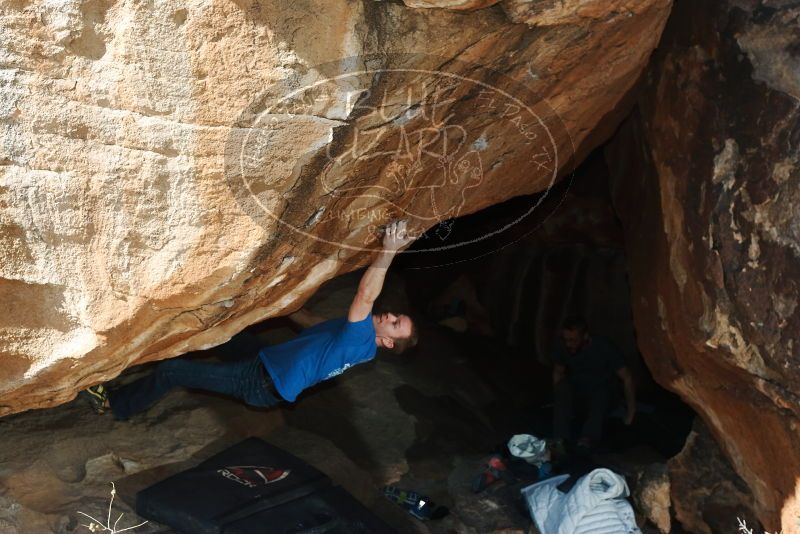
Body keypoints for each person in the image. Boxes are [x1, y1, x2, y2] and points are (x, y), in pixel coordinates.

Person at [83, 220, 419, 419]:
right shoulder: (356, 339)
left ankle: (115, 405)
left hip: (259, 383)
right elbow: (316, 326)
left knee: (173, 372)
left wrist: (388, 250)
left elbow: (365, 295)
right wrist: (284, 306)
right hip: (265, 361)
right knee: (225, 333)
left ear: (387, 341)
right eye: (396, 315)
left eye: (394, 323)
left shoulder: (360, 341)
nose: (389, 315)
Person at [551, 317, 635, 448]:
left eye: (573, 340)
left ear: (585, 336)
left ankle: (588, 439)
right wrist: (560, 399)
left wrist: (631, 411)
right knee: (563, 386)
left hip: (603, 396)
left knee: (601, 391)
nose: (568, 344)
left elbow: (627, 377)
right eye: (565, 340)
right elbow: (558, 372)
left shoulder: (604, 347)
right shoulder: (563, 347)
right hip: (580, 394)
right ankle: (560, 440)